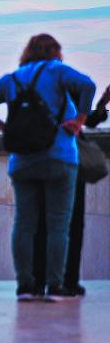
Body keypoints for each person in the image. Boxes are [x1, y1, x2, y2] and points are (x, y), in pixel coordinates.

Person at [0, 33, 95, 302]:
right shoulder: (57, 71)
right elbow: (87, 85)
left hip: (22, 160)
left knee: (24, 225)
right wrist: (80, 119)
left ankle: (25, 285)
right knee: (59, 225)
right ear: (55, 52)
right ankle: (55, 284)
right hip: (60, 156)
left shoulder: (12, 79)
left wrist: (2, 127)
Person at [33, 84, 110, 297]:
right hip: (70, 165)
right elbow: (90, 121)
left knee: (43, 228)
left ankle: (40, 283)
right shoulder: (72, 90)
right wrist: (102, 104)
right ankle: (68, 281)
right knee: (73, 227)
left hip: (45, 166)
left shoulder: (39, 92)